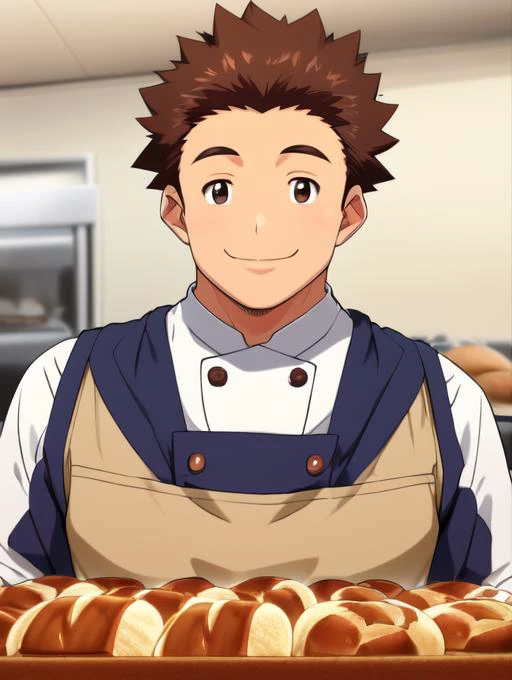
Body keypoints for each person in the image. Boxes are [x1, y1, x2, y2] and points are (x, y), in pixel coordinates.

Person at [0, 1, 510, 593]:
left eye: (301, 187)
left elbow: (495, 615)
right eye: (221, 189)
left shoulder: (445, 403)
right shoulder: (62, 388)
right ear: (176, 209)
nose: (260, 225)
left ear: (349, 212)